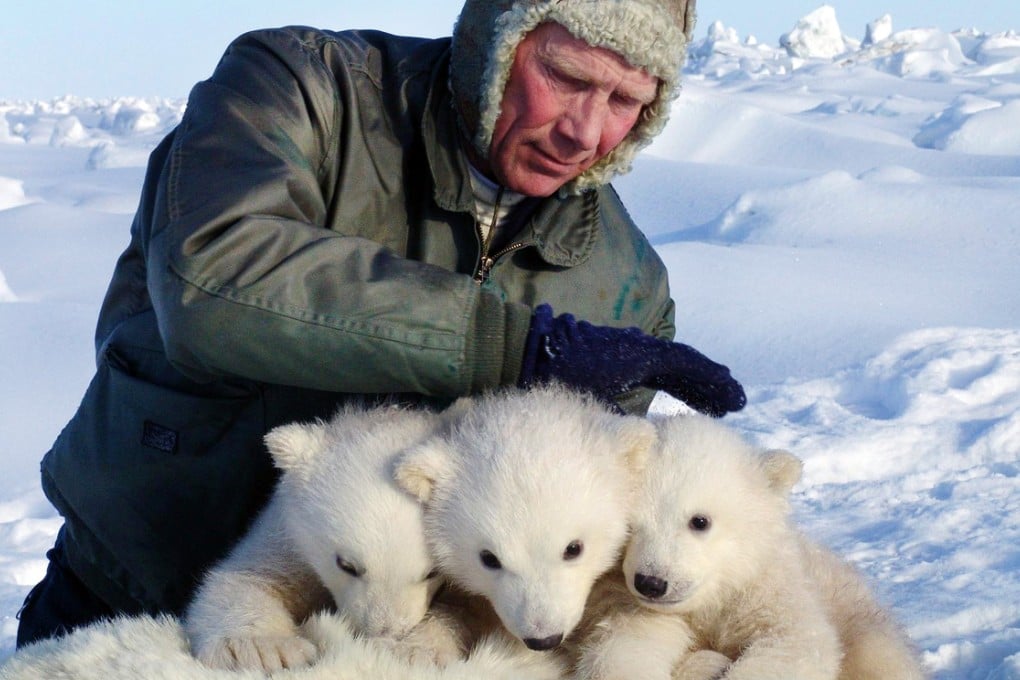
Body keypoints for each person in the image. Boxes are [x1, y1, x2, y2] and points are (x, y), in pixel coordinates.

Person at [16, 0, 745, 649]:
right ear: (496, 38)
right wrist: (510, 345)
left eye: (626, 100)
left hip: (375, 647)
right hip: (127, 601)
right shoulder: (300, 89)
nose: (584, 131)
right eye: (566, 75)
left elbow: (574, 540)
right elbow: (211, 275)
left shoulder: (623, 286)